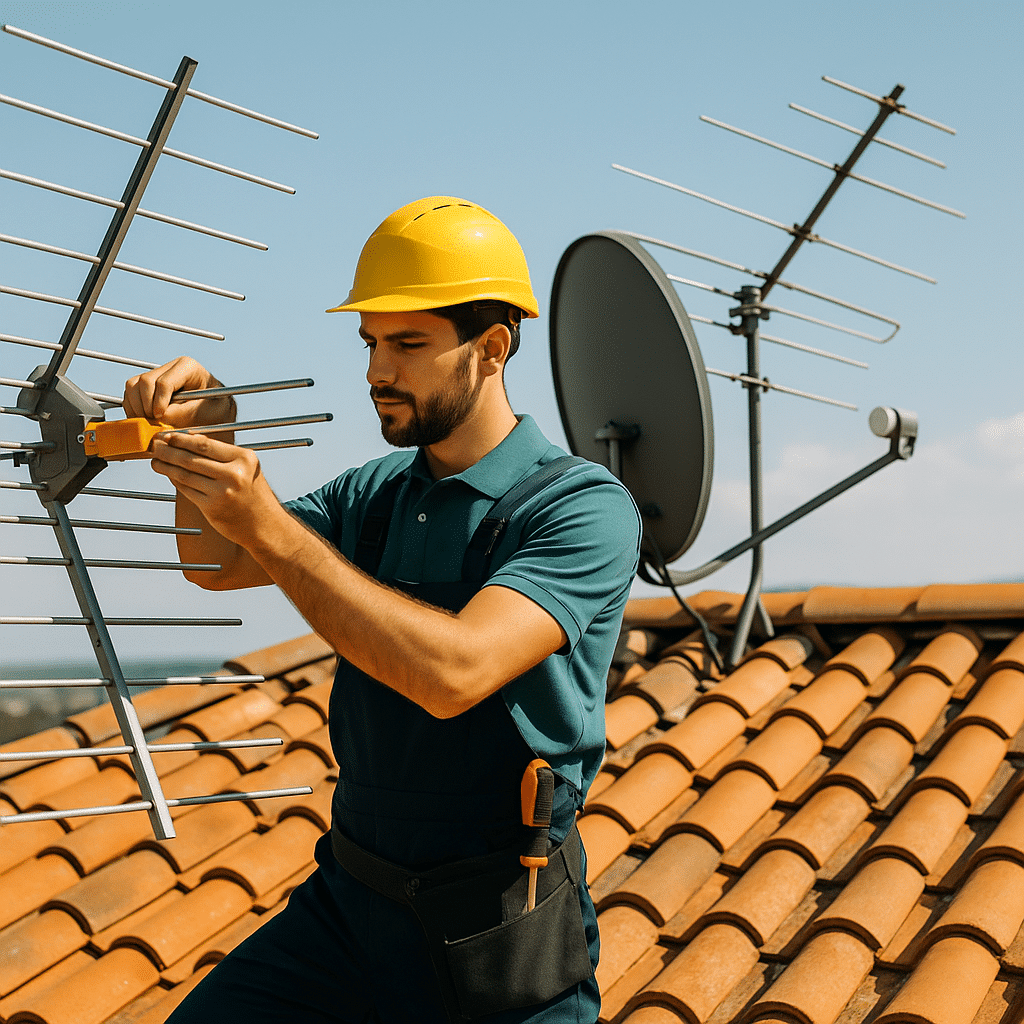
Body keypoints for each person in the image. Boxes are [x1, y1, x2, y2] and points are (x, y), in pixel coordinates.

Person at [125, 196, 641, 1023]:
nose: (376, 371)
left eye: (408, 344)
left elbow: (454, 671)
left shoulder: (579, 505)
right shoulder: (373, 496)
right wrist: (212, 442)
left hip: (497, 918)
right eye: (371, 343)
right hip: (352, 899)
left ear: (492, 349)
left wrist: (267, 520)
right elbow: (217, 565)